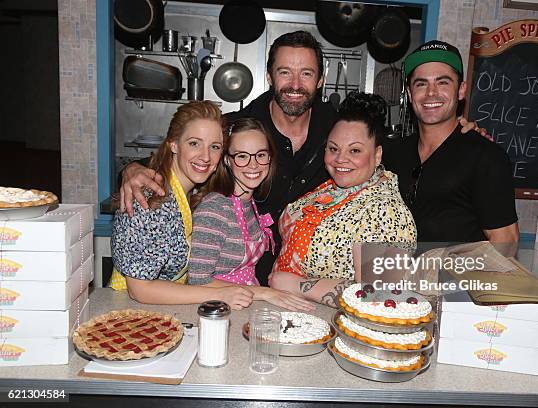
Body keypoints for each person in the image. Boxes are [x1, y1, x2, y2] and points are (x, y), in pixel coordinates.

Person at [118, 31, 485, 285]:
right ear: (269, 77)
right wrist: (134, 170)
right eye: (285, 72)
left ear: (321, 80)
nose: (295, 83)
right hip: (225, 280)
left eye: (306, 73)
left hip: (301, 283)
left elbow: (381, 161)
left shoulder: (338, 131)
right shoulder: (236, 129)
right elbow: (188, 154)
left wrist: (459, 133)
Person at [268, 92, 417, 307]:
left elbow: (379, 297)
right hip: (289, 312)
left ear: (377, 155)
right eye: (333, 149)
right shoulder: (335, 188)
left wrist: (299, 285)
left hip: (332, 326)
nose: (340, 159)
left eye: (355, 150)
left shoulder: (386, 211)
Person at [111, 101, 259, 308]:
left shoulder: (192, 194)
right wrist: (222, 295)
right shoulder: (151, 200)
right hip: (130, 312)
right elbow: (139, 289)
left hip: (163, 311)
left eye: (215, 147)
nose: (206, 156)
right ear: (173, 144)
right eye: (194, 143)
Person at [383, 40, 519, 248]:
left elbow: (506, 242)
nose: (431, 93)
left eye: (443, 82)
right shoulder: (392, 155)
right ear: (410, 94)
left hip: (456, 278)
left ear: (461, 90)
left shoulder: (485, 157)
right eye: (421, 84)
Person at [188, 117, 314, 311]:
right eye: (242, 156)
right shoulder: (215, 209)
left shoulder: (251, 204)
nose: (253, 165)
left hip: (245, 303)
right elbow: (197, 281)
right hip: (219, 309)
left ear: (270, 158)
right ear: (227, 160)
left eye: (260, 155)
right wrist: (264, 292)